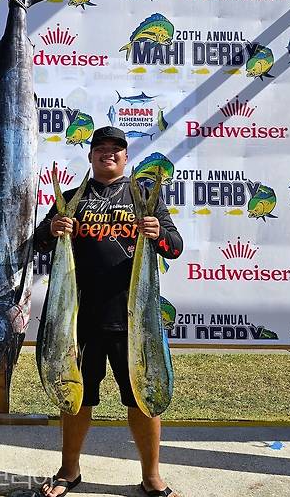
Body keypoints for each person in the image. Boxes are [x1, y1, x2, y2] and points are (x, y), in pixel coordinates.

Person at [34, 126, 183, 497]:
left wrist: (157, 233)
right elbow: (37, 243)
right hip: (79, 320)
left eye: (115, 149)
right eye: (100, 149)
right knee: (77, 397)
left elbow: (175, 247)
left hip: (134, 322)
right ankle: (69, 470)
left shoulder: (144, 197)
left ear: (125, 157)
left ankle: (151, 476)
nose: (108, 154)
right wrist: (53, 227)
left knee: (143, 399)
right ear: (90, 157)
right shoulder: (71, 198)